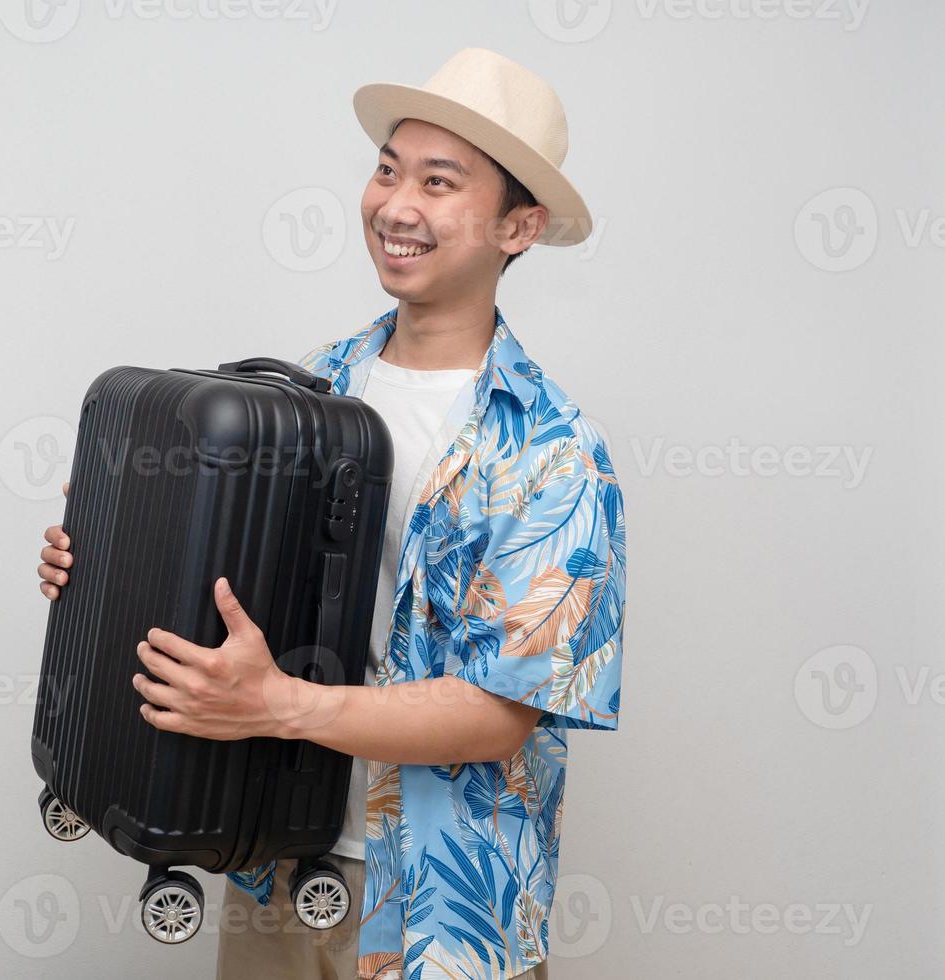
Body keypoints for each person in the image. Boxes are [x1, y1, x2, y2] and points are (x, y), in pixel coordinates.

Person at [37, 47, 626, 980]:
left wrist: (277, 704)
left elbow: (498, 715)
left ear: (520, 225)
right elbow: (234, 599)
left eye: (440, 182)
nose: (396, 206)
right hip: (269, 856)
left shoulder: (553, 453)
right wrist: (108, 552)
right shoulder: (308, 391)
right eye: (388, 170)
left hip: (445, 911)